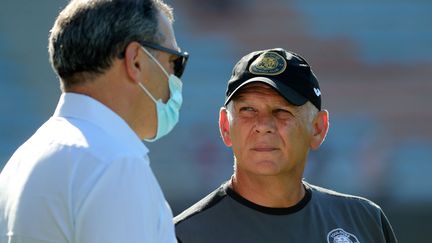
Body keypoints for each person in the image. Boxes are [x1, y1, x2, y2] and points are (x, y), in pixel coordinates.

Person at [0, 0, 188, 242]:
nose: (176, 78)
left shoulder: (20, 160)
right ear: (136, 61)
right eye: (175, 62)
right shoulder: (115, 162)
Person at [174, 48, 397, 243]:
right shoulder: (183, 235)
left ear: (318, 128)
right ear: (225, 126)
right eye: (248, 110)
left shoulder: (365, 222)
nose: (263, 125)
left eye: (282, 111)